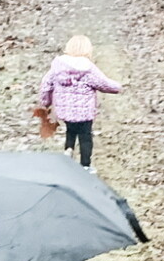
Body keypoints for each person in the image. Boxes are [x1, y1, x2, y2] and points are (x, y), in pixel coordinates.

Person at [37, 35, 121, 170]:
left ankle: (68, 150)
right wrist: (118, 87)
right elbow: (103, 83)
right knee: (85, 136)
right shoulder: (88, 68)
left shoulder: (58, 66)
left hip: (65, 111)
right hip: (84, 112)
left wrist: (45, 103)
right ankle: (85, 165)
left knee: (71, 130)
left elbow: (46, 85)